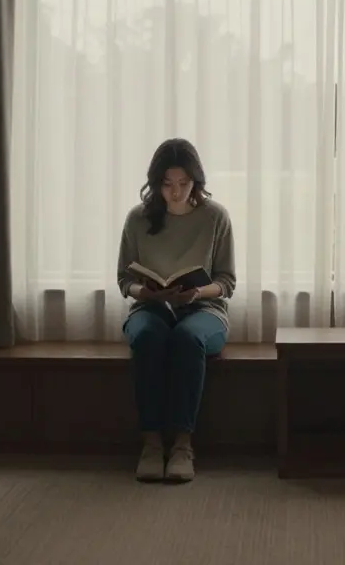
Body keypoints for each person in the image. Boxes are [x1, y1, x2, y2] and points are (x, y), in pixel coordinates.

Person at [117, 138, 236, 483]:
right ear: (156, 183)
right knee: (148, 336)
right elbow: (125, 279)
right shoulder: (138, 219)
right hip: (151, 307)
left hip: (205, 308)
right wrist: (150, 293)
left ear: (196, 180)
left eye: (184, 183)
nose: (176, 192)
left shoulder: (216, 217)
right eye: (167, 184)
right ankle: (152, 444)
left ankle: (183, 445)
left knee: (187, 338)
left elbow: (226, 281)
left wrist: (197, 291)